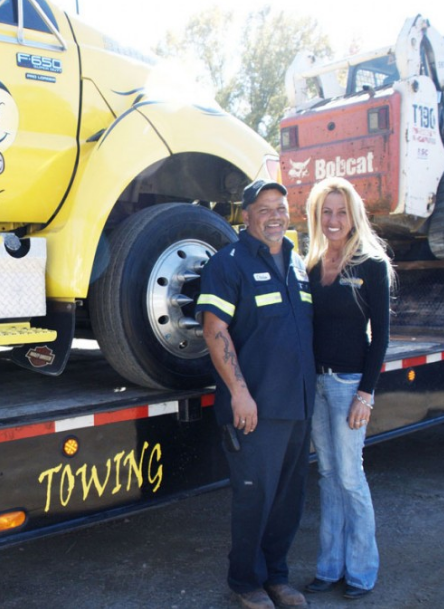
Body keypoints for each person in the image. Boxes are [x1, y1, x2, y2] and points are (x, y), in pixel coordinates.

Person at [196, 179, 316, 609]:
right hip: (255, 408)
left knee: (289, 499)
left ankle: (277, 577)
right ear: (245, 214)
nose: (274, 215)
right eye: (263, 208)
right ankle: (245, 582)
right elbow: (215, 330)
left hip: (297, 405)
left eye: (280, 207)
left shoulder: (297, 262)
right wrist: (240, 395)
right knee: (255, 498)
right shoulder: (228, 263)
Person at [301, 177, 394, 600]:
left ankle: (360, 572)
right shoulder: (312, 265)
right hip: (317, 385)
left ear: (353, 214)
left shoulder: (371, 265)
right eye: (326, 211)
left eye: (340, 211)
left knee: (350, 476)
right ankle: (328, 567)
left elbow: (382, 338)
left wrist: (366, 393)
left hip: (348, 384)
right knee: (326, 475)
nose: (333, 219)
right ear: (317, 216)